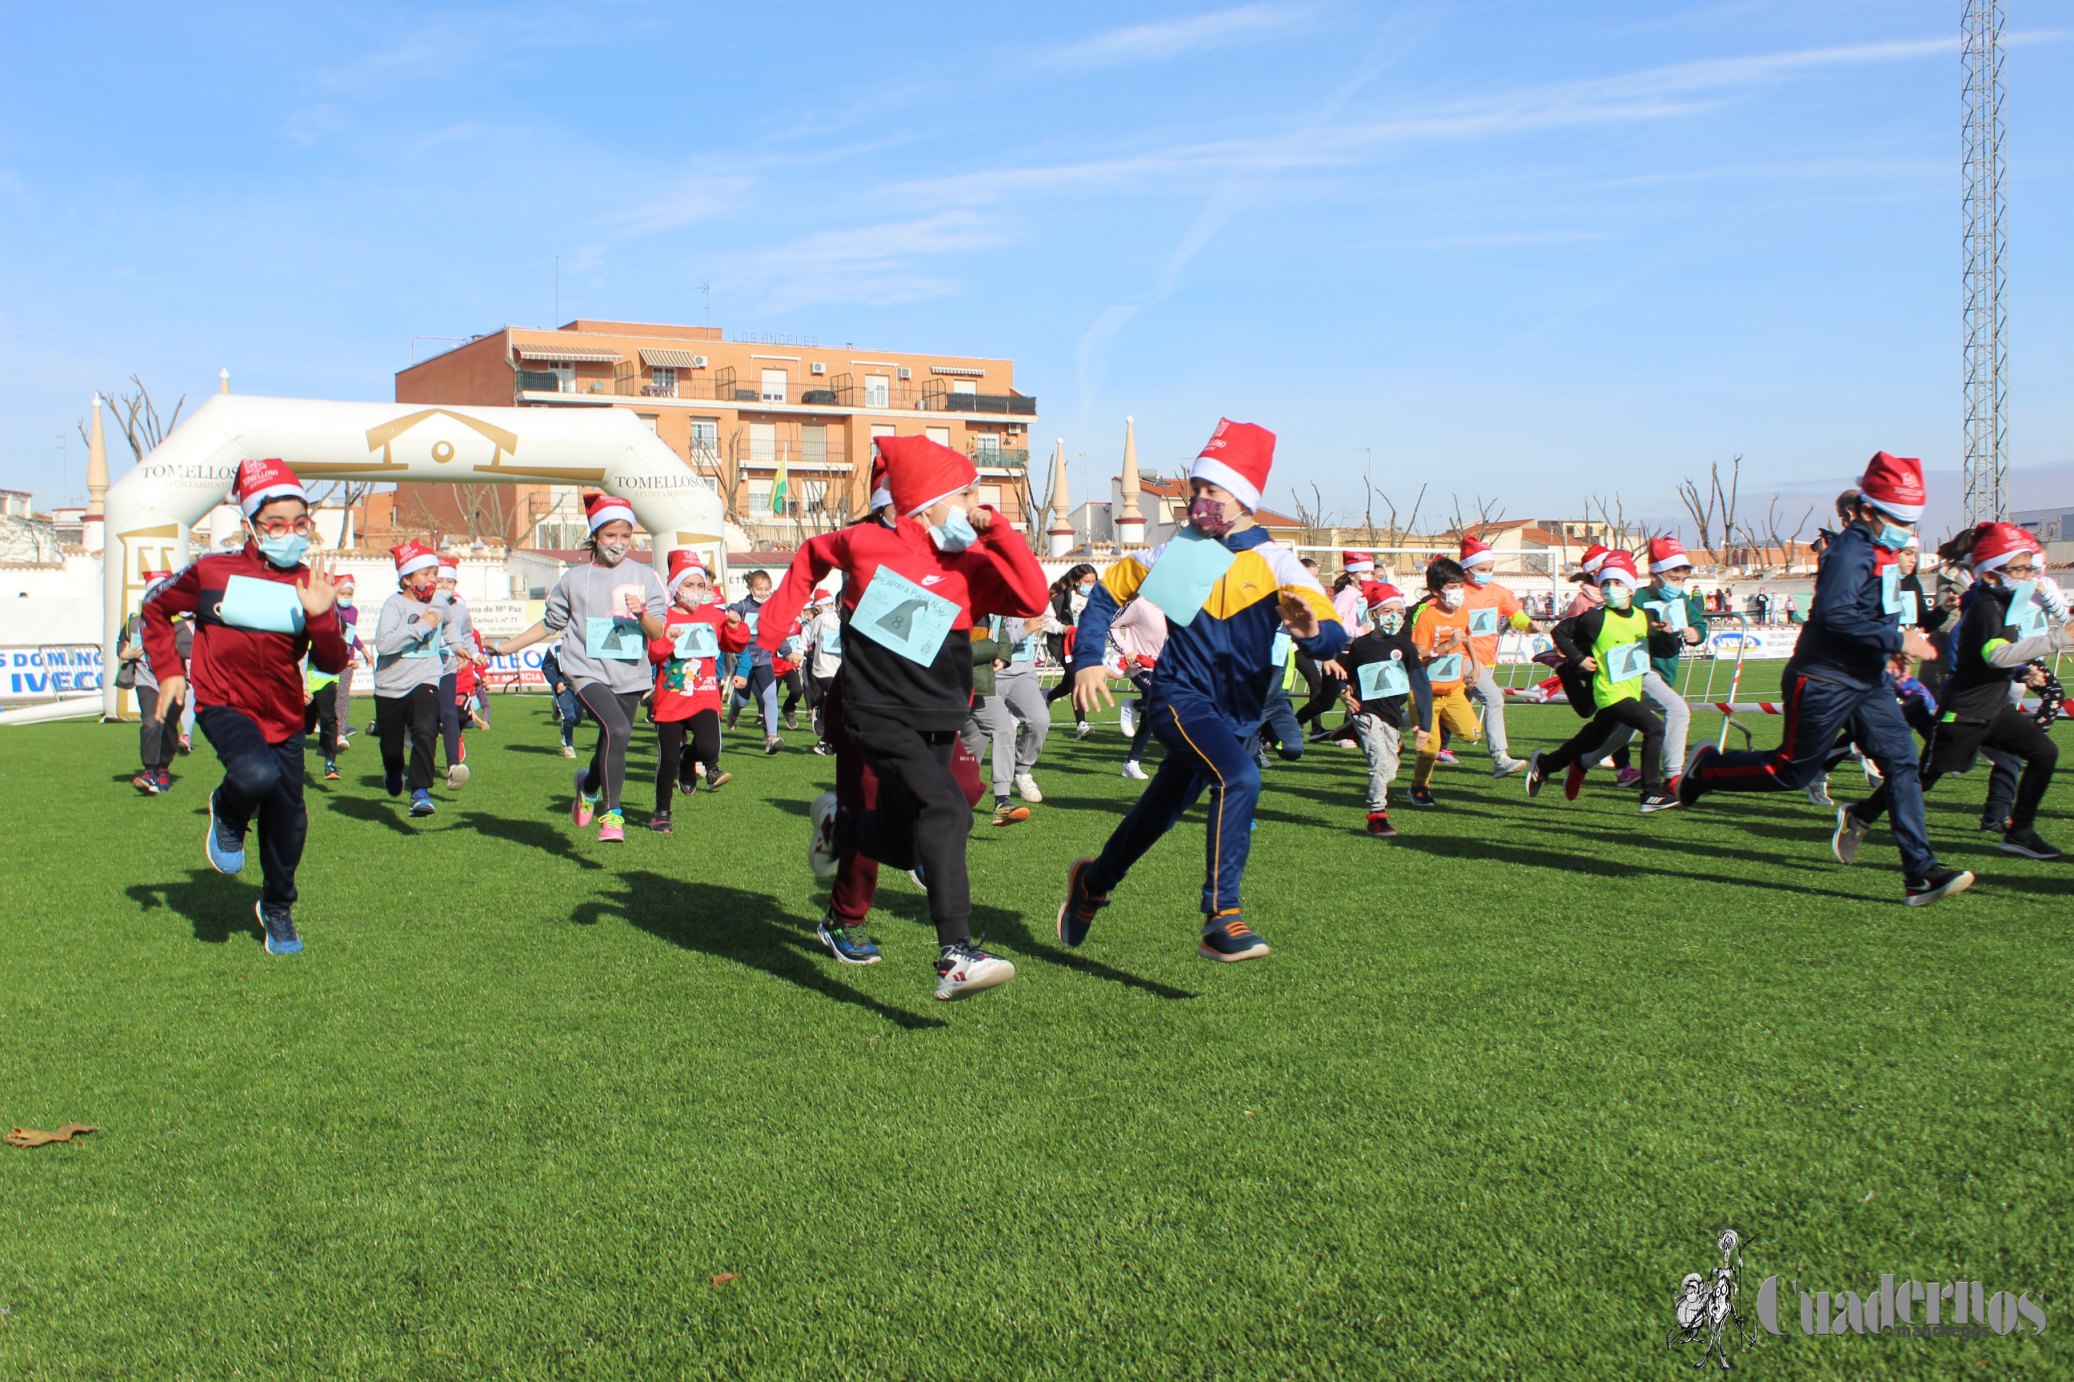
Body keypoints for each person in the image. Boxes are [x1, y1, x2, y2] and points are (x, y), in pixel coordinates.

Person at [762, 435, 1048, 999]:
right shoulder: (868, 541)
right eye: (966, 494)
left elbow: (1032, 598)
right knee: (946, 809)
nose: (975, 505)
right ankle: (954, 954)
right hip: (876, 713)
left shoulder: (968, 560)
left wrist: (1000, 532)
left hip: (940, 714)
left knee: (914, 837)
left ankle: (838, 828)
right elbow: (812, 555)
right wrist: (772, 628)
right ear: (926, 500)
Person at [1057, 419, 1345, 962]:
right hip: (1178, 699)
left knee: (1156, 815)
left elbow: (1331, 632)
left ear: (1242, 498)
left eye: (1210, 490)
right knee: (1240, 777)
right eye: (1194, 489)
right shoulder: (1175, 552)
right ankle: (1222, 916)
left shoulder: (1279, 563)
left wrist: (1311, 631)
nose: (1198, 500)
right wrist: (1088, 660)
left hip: (1237, 716)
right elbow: (1103, 598)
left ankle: (1092, 883)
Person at [1680, 452, 1973, 906]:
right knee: (1790, 772)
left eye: (1912, 520)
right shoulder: (1850, 551)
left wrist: (1892, 648)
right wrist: (1898, 637)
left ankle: (1920, 873)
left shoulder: (1885, 553)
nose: (1907, 529)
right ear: (1870, 509)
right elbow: (1835, 615)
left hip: (1868, 680)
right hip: (1822, 680)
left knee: (1903, 765)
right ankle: (1709, 769)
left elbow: (1870, 611)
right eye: (1898, 518)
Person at [140, 457, 349, 955]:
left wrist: (321, 617)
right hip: (223, 703)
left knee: (290, 819)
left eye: (299, 524)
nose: (289, 534)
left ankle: (277, 907)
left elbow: (333, 659)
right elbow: (155, 606)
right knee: (254, 775)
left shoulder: (310, 583)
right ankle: (228, 811)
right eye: (276, 524)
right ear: (250, 527)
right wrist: (169, 669)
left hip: (284, 717)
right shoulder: (213, 571)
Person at [1836, 523, 2068, 863]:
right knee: (1922, 779)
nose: (2028, 574)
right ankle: (1861, 814)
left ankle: (2019, 831)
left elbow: (1994, 654)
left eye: (2029, 566)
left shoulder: (2003, 603)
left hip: (1995, 711)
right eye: (2019, 568)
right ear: (1991, 575)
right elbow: (1993, 654)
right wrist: (2060, 637)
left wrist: (2022, 670)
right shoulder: (1985, 606)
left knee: (2044, 753)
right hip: (1964, 715)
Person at [493, 492, 668, 844]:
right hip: (585, 670)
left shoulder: (645, 576)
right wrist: (505, 646)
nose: (618, 544)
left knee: (610, 739)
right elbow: (549, 624)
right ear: (595, 537)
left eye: (625, 535)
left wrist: (641, 614)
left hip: (630, 674)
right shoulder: (574, 580)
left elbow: (658, 630)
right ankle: (612, 815)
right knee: (618, 731)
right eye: (610, 535)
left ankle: (587, 785)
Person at [1525, 550, 1680, 812]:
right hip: (1609, 691)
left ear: (1630, 588)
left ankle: (1545, 765)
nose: (1610, 588)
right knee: (1654, 727)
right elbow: (1559, 632)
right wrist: (1577, 659)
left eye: (1617, 583)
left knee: (1590, 740)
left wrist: (1667, 634)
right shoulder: (1596, 617)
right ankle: (1650, 792)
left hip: (1630, 689)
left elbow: (1667, 651)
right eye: (1606, 583)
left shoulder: (1644, 617)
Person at [645, 550, 751, 833]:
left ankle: (687, 758)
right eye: (688, 585)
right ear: (674, 587)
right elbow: (653, 653)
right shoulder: (662, 617)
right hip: (670, 698)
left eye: (700, 586)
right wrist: (666, 640)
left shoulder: (712, 615)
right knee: (666, 758)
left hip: (704, 693)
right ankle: (662, 812)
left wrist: (735, 626)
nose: (695, 592)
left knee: (709, 748)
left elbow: (736, 644)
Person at [1322, 582, 1432, 837]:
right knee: (1380, 764)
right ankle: (1377, 816)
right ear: (1373, 614)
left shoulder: (1405, 646)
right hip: (1366, 713)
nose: (1394, 617)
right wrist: (1344, 694)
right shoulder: (1360, 645)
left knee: (1391, 768)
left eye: (1399, 612)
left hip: (1392, 717)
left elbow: (1421, 683)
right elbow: (1341, 673)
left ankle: (1350, 731)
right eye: (1387, 612)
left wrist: (1424, 724)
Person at [372, 541, 450, 818]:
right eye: (427, 574)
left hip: (426, 678)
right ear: (407, 578)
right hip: (390, 686)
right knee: (392, 750)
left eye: (435, 574)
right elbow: (384, 645)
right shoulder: (394, 605)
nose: (433, 580)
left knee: (426, 730)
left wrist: (459, 648)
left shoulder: (440, 603)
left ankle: (420, 792)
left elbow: (451, 627)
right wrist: (420, 627)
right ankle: (394, 772)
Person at [1404, 557, 1481, 806]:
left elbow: (1467, 638)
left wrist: (1476, 667)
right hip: (1425, 692)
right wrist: (1445, 646)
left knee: (1472, 735)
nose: (1459, 592)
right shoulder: (1427, 617)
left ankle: (1401, 721)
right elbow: (1417, 654)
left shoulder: (1463, 614)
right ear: (1437, 590)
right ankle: (1419, 786)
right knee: (1430, 747)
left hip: (1454, 691)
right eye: (1452, 587)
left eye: (1461, 586)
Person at [963, 608, 1051, 821]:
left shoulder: (999, 605)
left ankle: (1002, 800)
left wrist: (1001, 655)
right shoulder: (962, 604)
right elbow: (956, 649)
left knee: (1006, 730)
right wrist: (995, 648)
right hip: (957, 685)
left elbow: (999, 634)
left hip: (981, 682)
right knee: (967, 752)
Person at [1456, 535, 1534, 777]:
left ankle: (1390, 727)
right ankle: (1500, 757)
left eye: (1490, 569)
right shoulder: (1458, 593)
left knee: (1440, 706)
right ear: (1466, 568)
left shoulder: (1498, 592)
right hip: (1462, 658)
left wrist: (1529, 625)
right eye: (1481, 569)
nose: (1486, 573)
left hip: (1487, 660)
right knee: (1495, 699)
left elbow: (1516, 614)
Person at [120, 569, 188, 795]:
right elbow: (121, 647)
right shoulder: (134, 623)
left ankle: (163, 769)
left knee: (168, 725)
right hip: (146, 680)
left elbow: (190, 647)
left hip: (173, 682)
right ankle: (150, 770)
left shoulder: (177, 623)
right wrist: (126, 653)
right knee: (151, 722)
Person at [1108, 591, 1168, 780]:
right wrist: (1127, 650)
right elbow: (1111, 626)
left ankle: (1131, 763)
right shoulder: (1140, 604)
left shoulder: (1173, 607)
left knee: (1152, 714)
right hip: (1139, 666)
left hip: (1162, 667)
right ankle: (1133, 705)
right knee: (1160, 699)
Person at [725, 570, 785, 755]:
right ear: (751, 588)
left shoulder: (773, 609)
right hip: (745, 662)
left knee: (770, 697)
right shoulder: (743, 606)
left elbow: (779, 634)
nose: (763, 592)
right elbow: (729, 610)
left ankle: (772, 737)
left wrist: (788, 652)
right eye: (759, 589)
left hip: (765, 661)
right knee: (742, 701)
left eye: (767, 589)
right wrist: (732, 614)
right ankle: (734, 714)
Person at [433, 558, 481, 788]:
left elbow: (467, 637)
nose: (444, 585)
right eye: (440, 580)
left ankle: (453, 766)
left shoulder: (460, 610)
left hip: (447, 668)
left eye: (449, 581)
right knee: (423, 719)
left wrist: (473, 654)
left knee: (448, 713)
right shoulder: (422, 604)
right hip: (419, 671)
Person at [1042, 564, 1099, 738]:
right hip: (1063, 645)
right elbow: (1046, 620)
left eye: (1093, 582)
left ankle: (1048, 695)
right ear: (1076, 582)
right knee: (1077, 678)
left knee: (1069, 683)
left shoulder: (1098, 597)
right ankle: (1081, 724)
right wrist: (1063, 628)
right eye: (1086, 581)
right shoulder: (1059, 597)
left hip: (1086, 646)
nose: (1090, 585)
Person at [800, 587, 843, 755]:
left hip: (840, 669)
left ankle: (822, 709)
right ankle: (826, 741)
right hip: (823, 669)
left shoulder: (847, 620)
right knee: (841, 701)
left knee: (843, 703)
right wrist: (799, 650)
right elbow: (806, 632)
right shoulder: (824, 619)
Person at [331, 571, 366, 752]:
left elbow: (350, 635)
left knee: (343, 696)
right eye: (341, 593)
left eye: (349, 594)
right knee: (327, 696)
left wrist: (364, 650)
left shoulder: (353, 612)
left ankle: (340, 734)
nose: (345, 597)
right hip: (330, 659)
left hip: (348, 660)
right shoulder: (329, 611)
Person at [539, 643, 584, 758]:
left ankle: (557, 707)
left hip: (578, 684)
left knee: (577, 720)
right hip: (562, 686)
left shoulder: (583, 641)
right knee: (569, 717)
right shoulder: (555, 647)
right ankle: (568, 746)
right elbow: (546, 667)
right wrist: (556, 682)